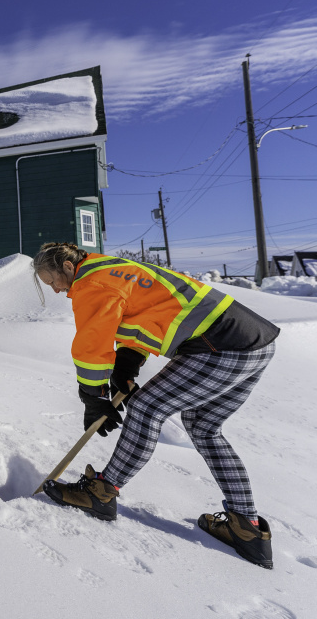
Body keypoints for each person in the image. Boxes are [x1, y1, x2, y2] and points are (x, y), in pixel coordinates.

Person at [33, 242, 279, 569]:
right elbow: (146, 313)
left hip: (220, 345)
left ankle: (100, 494)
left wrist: (93, 398)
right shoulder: (111, 269)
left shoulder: (91, 283)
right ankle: (245, 528)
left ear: (66, 265)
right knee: (203, 428)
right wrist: (127, 366)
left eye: (52, 280)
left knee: (147, 408)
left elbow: (93, 343)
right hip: (253, 342)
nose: (55, 289)